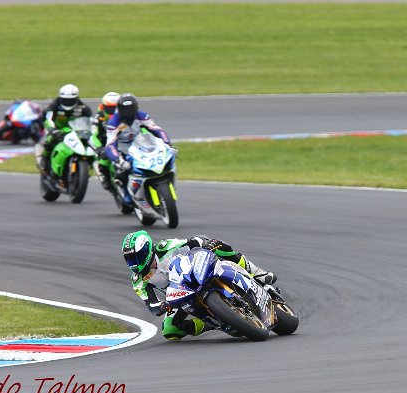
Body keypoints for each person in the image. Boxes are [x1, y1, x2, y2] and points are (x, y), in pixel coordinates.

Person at [122, 230, 277, 341]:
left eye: (137, 257)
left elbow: (191, 242)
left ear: (147, 250)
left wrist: (205, 243)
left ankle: (256, 272)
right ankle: (213, 324)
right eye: (130, 260)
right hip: (179, 295)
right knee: (170, 330)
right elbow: (151, 303)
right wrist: (162, 306)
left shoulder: (163, 247)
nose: (134, 263)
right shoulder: (138, 280)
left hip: (196, 270)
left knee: (221, 248)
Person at [104, 93, 171, 203]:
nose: (128, 112)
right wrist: (118, 160)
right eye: (125, 109)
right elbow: (110, 144)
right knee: (121, 173)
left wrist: (167, 144)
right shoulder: (113, 122)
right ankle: (125, 193)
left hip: (139, 144)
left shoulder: (142, 115)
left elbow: (157, 129)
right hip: (122, 148)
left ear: (136, 107)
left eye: (130, 109)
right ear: (119, 109)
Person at [36, 84, 92, 175]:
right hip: (57, 129)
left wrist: (90, 131)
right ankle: (44, 160)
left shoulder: (83, 108)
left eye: (71, 100)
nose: (68, 102)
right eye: (65, 100)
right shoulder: (54, 105)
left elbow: (91, 121)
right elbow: (48, 118)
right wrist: (53, 129)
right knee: (49, 141)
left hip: (75, 131)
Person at [90, 92, 120, 190]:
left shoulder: (125, 114)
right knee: (104, 161)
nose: (113, 111)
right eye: (110, 108)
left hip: (123, 141)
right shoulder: (99, 117)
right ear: (103, 107)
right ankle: (106, 178)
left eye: (116, 108)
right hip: (106, 143)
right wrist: (99, 148)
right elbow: (93, 134)